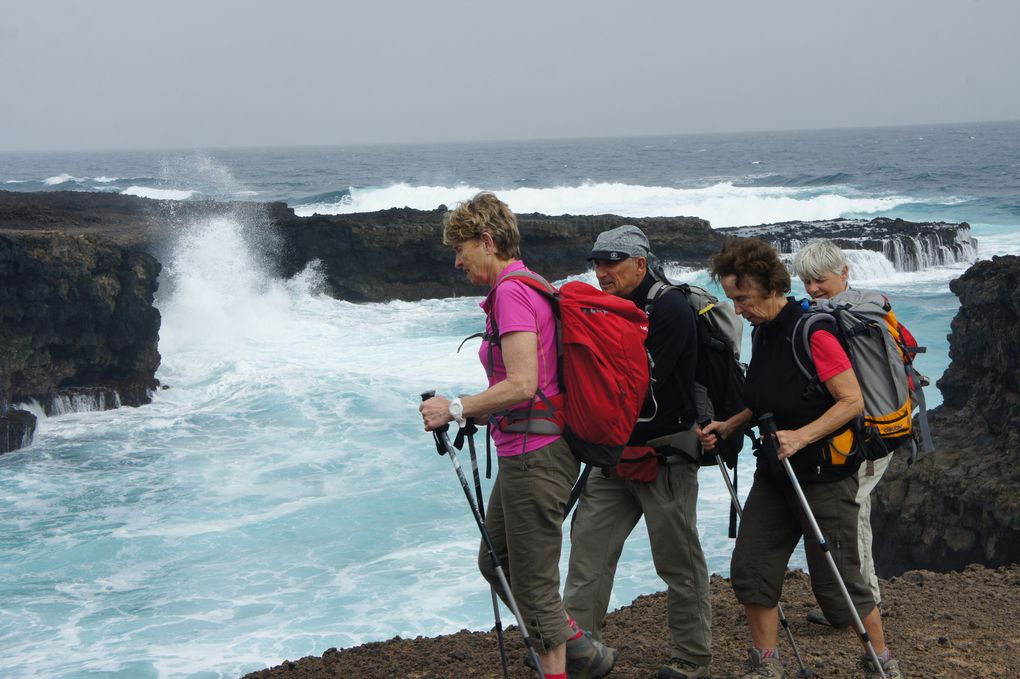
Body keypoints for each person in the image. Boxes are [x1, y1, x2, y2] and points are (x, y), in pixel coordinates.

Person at [419, 192, 616, 679]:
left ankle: (564, 661)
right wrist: (473, 414)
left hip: (538, 455)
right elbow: (532, 385)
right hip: (528, 449)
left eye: (461, 248)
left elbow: (524, 384)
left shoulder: (511, 292)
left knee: (533, 585)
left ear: (487, 241)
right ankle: (578, 648)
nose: (457, 260)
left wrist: (457, 408)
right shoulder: (530, 286)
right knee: (497, 562)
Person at [698, 237, 903, 679]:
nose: (737, 309)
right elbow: (769, 396)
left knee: (840, 583)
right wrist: (731, 424)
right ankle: (767, 665)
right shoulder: (763, 330)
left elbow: (851, 401)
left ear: (770, 288)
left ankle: (881, 663)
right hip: (777, 473)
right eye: (732, 299)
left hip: (825, 475)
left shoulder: (813, 331)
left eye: (742, 298)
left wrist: (801, 437)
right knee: (750, 569)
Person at [563, 225, 712, 679]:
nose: (602, 272)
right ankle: (578, 654)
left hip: (664, 455)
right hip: (612, 455)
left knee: (677, 561)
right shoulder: (608, 306)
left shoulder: (669, 308)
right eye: (597, 263)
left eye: (612, 262)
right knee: (587, 555)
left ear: (640, 264)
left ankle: (692, 659)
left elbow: (640, 386)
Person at [793, 239, 895, 626]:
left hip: (869, 430)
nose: (814, 289)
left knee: (856, 514)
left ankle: (864, 606)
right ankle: (862, 601)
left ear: (844, 273)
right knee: (855, 511)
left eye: (820, 280)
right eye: (807, 282)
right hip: (871, 428)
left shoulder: (843, 321)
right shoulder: (869, 308)